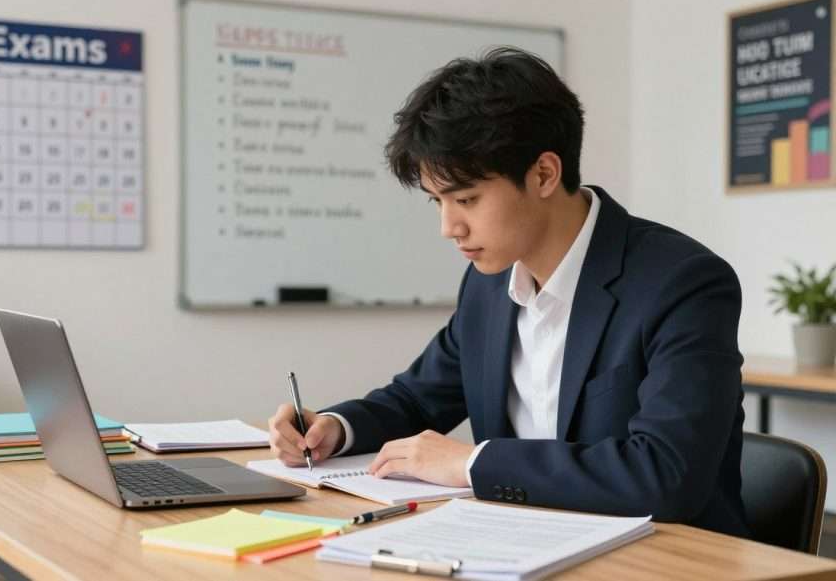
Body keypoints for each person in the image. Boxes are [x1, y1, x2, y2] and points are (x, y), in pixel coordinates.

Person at [267, 47, 747, 537]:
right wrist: (332, 427)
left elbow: (667, 475)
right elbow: (416, 399)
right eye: (438, 202)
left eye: (467, 199)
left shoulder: (683, 282)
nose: (448, 227)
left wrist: (474, 464)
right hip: (521, 546)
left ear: (543, 174)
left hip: (667, 559)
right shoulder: (489, 282)